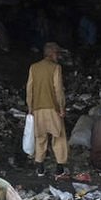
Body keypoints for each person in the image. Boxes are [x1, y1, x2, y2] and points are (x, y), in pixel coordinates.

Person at [26, 42, 68, 178]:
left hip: (37, 109)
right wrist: (61, 107)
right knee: (59, 137)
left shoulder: (34, 67)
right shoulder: (56, 68)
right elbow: (58, 90)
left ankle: (40, 169)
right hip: (53, 108)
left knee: (40, 138)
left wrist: (30, 108)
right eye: (57, 53)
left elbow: (29, 90)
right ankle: (59, 169)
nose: (58, 56)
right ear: (52, 53)